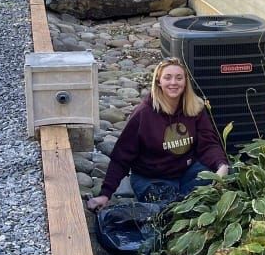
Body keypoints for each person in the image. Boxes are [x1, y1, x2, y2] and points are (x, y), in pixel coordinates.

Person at [87, 58, 229, 211]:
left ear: (185, 82)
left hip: (186, 173)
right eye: (167, 77)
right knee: (168, 209)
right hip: (152, 178)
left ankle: (189, 201)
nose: (173, 82)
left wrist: (221, 165)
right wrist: (105, 193)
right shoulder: (143, 114)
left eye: (179, 78)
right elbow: (122, 156)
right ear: (158, 82)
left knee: (223, 177)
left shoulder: (195, 108)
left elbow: (208, 144)